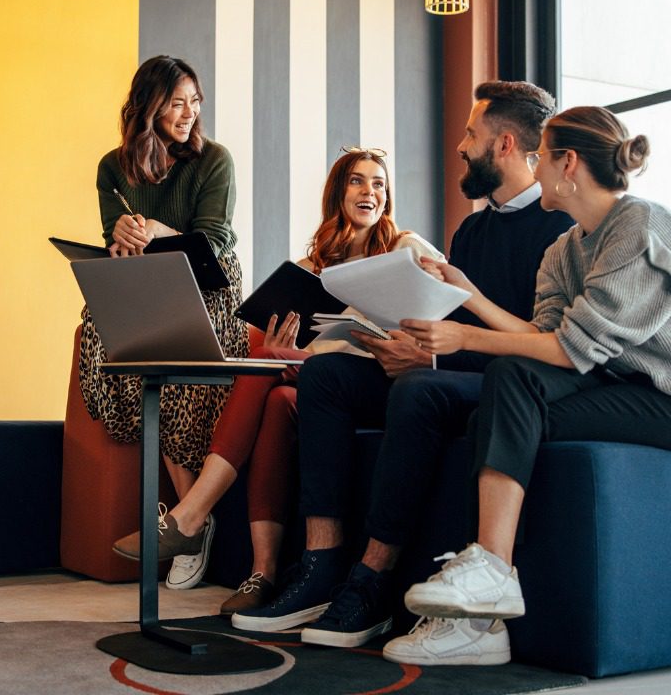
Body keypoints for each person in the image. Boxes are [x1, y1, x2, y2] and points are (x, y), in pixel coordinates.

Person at [231, 82, 574, 661]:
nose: (460, 146)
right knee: (324, 380)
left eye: (471, 134)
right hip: (445, 367)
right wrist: (402, 342)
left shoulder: (558, 229)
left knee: (418, 388)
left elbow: (540, 347)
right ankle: (320, 566)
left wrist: (432, 358)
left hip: (502, 385)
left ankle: (372, 582)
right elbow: (441, 317)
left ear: (506, 144)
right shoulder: (471, 231)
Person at [389, 105, 671, 666]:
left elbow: (570, 348)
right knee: (502, 396)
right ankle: (481, 621)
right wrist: (466, 292)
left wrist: (464, 338)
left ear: (568, 163)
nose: (533, 169)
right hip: (606, 386)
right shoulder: (563, 250)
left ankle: (490, 578)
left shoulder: (638, 224)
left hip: (658, 400)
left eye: (541, 158)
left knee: (508, 381)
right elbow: (541, 337)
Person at [112, 147, 443, 607]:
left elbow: (445, 308)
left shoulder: (405, 248)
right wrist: (282, 351)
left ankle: (191, 517)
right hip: (320, 385)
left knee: (280, 378)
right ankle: (261, 573)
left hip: (385, 381)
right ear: (338, 194)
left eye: (379, 183)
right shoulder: (311, 269)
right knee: (271, 385)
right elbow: (300, 350)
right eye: (357, 181)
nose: (370, 191)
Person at [78, 55, 250, 584]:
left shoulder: (214, 159)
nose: (188, 112)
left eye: (194, 102)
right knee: (103, 340)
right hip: (147, 283)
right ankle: (191, 522)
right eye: (177, 102)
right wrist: (122, 239)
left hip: (207, 285)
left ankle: (187, 524)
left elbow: (216, 240)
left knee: (174, 377)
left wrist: (157, 229)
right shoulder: (113, 166)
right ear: (148, 106)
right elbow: (115, 234)